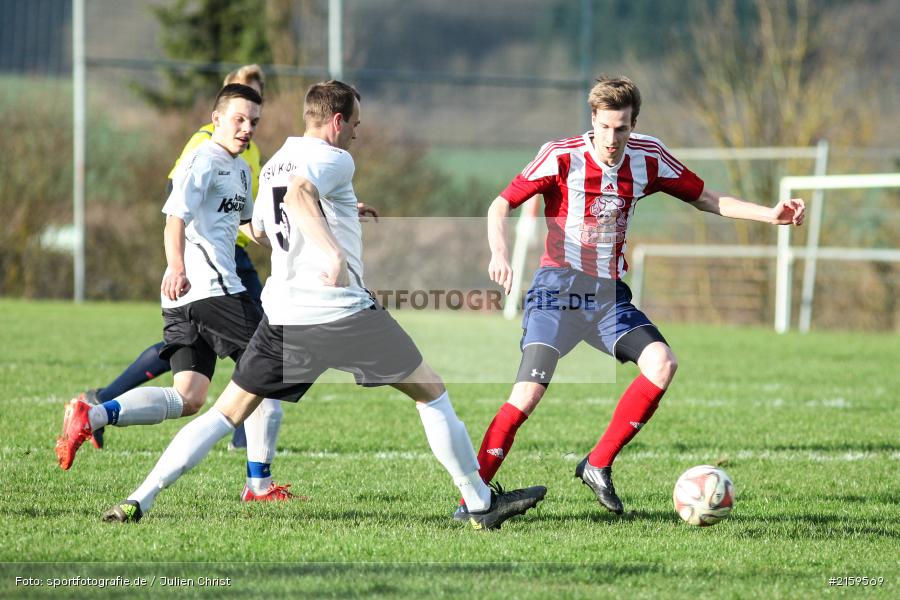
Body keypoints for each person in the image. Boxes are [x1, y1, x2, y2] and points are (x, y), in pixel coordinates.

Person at [100, 80, 547, 530]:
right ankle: (479, 502)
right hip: (342, 313)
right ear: (336, 121)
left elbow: (263, 225)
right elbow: (299, 195)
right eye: (355, 124)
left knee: (225, 413)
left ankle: (139, 498)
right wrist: (333, 253)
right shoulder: (336, 157)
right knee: (431, 391)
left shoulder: (274, 162)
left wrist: (342, 211)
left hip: (283, 318)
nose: (356, 132)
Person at [458, 76, 805, 517]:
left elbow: (706, 198)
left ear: (633, 124)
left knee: (662, 364)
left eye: (621, 128)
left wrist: (769, 215)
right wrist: (500, 253)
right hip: (557, 293)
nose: (611, 139)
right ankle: (472, 502)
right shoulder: (561, 156)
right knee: (527, 394)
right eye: (604, 127)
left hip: (608, 298)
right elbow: (500, 204)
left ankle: (597, 464)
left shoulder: (648, 157)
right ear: (593, 120)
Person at [56, 83, 295, 502]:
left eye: (254, 122)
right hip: (211, 289)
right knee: (271, 367)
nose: (247, 128)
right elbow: (174, 219)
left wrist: (292, 235)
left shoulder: (241, 169)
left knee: (188, 396)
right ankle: (258, 485)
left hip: (188, 297)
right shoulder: (201, 160)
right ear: (216, 118)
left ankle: (91, 415)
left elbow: (245, 225)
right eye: (239, 119)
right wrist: (178, 266)